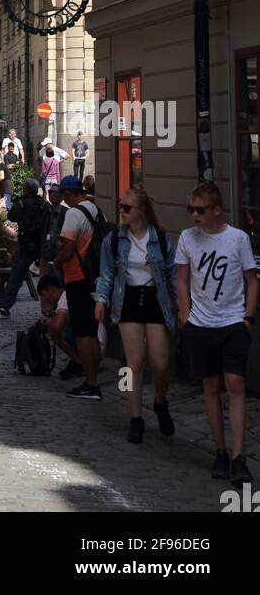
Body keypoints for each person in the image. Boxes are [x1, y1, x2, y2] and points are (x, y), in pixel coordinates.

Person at [175, 181, 258, 484]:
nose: (194, 215)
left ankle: (238, 455)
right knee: (210, 388)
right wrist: (185, 314)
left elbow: (253, 279)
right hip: (201, 324)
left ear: (216, 210)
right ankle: (220, 452)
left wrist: (248, 318)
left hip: (233, 322)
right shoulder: (187, 238)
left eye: (200, 210)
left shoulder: (237, 239)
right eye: (191, 210)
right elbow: (182, 280)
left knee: (235, 384)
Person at [94, 188, 177, 443]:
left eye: (127, 207)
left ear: (141, 211)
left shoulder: (160, 239)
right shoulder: (115, 240)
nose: (121, 210)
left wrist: (182, 306)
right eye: (121, 206)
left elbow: (172, 275)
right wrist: (101, 299)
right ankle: (135, 418)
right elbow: (107, 273)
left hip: (155, 300)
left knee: (161, 363)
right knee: (135, 362)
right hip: (127, 300)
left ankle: (160, 402)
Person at [57, 176, 104, 400]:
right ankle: (92, 379)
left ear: (68, 194)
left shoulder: (73, 214)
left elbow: (67, 251)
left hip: (77, 276)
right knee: (92, 332)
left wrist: (55, 259)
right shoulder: (95, 210)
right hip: (95, 276)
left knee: (83, 334)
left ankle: (91, 382)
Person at [0, 178, 49, 317]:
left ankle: (5, 305)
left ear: (25, 190)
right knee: (48, 275)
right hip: (41, 242)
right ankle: (51, 305)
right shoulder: (44, 204)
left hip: (25, 242)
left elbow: (11, 217)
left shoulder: (20, 204)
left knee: (16, 275)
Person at [39, 184, 66, 277]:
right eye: (50, 192)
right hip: (46, 250)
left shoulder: (66, 212)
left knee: (58, 280)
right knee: (44, 280)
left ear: (61, 197)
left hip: (59, 252)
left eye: (55, 192)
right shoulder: (45, 211)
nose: (52, 194)